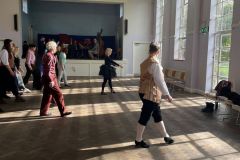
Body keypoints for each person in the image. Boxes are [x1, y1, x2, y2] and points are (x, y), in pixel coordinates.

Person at [135, 42, 174, 148]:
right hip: (150, 93)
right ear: (158, 51)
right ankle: (138, 140)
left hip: (143, 91)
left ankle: (166, 136)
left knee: (157, 115)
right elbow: (159, 81)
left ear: (149, 50)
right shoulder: (155, 63)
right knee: (145, 116)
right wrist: (167, 95)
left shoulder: (145, 62)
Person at [40, 41, 72, 117]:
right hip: (50, 78)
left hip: (46, 77)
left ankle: (43, 112)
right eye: (56, 47)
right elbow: (48, 69)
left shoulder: (47, 55)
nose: (57, 48)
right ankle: (63, 111)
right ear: (53, 47)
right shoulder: (49, 56)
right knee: (59, 94)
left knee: (47, 95)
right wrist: (51, 80)